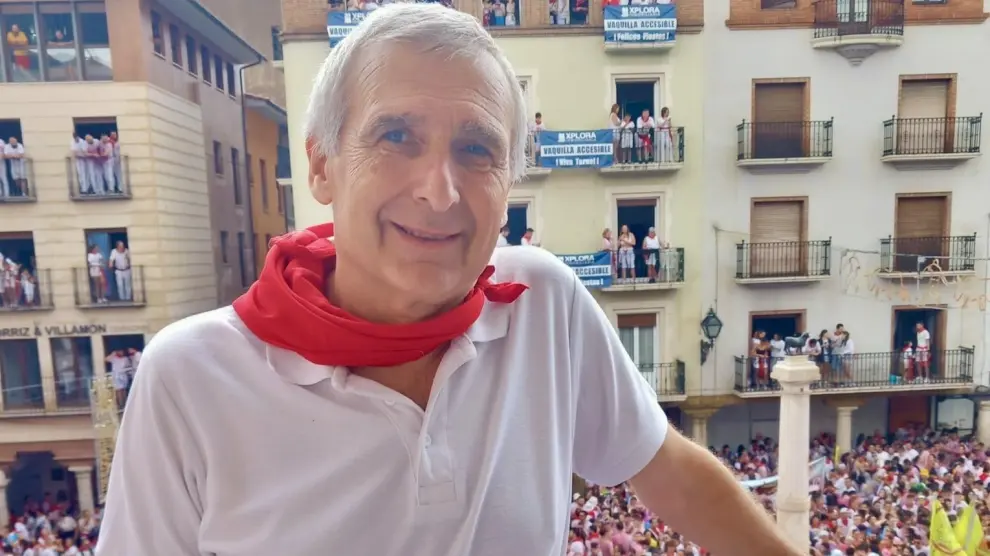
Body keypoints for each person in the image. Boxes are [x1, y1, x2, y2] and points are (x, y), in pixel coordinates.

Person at [97, 5, 803, 555]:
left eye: (476, 149)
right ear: (320, 166)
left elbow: (671, 472)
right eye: (395, 137)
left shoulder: (541, 306)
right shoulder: (191, 379)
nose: (439, 191)